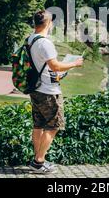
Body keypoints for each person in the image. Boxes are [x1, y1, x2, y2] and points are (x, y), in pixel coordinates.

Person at [28, 10, 83, 174]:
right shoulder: (45, 43)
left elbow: (43, 66)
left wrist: (57, 73)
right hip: (49, 92)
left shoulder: (30, 39)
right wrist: (75, 64)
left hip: (36, 88)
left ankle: (36, 160)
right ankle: (39, 162)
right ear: (48, 23)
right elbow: (56, 66)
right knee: (53, 127)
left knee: (38, 125)